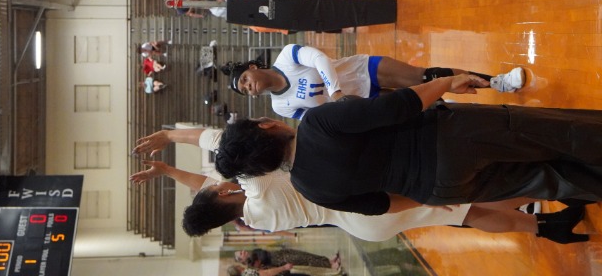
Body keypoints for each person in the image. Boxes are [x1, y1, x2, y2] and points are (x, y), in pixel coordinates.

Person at [215, 74, 602, 231]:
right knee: (558, 135)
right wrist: (447, 81)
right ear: (266, 126)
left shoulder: (308, 188)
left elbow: (384, 205)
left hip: (440, 188)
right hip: (448, 139)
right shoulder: (316, 125)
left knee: (551, 182)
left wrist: (430, 193)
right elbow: (398, 106)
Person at [131, 128, 589, 244]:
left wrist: (169, 171)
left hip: (363, 226)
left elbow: (205, 185)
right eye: (213, 190)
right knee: (468, 200)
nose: (212, 184)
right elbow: (216, 145)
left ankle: (547, 228)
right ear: (223, 194)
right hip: (367, 205)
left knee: (464, 213)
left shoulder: (256, 219)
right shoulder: (257, 187)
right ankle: (556, 188)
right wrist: (171, 136)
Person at [222, 43, 526, 119]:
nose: (248, 87)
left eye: (245, 79)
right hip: (365, 104)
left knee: (423, 77)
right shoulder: (280, 107)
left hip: (362, 71)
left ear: (253, 67)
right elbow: (314, 118)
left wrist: (335, 92)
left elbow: (319, 59)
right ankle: (501, 115)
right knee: (430, 107)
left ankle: (497, 82)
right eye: (244, 90)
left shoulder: (287, 56)